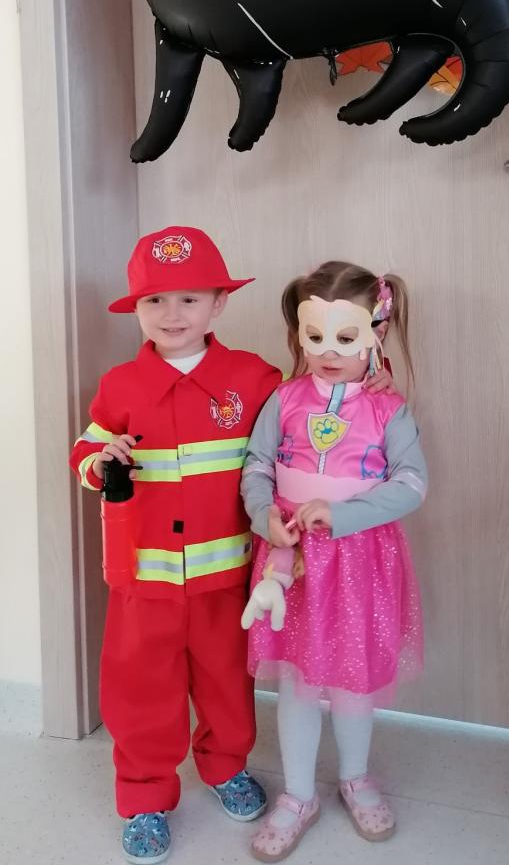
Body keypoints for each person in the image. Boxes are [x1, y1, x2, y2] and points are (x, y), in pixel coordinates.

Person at [70, 230, 397, 864]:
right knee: (140, 690)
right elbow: (84, 449)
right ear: (136, 309)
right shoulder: (119, 385)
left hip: (228, 577)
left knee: (226, 683)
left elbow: (305, 419)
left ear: (219, 303)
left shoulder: (256, 379)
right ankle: (144, 796)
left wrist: (367, 392)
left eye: (189, 299)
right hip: (143, 578)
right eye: (155, 301)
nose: (172, 315)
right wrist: (97, 460)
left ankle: (225, 767)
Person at [241, 261, 427, 861]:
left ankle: (355, 777)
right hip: (292, 561)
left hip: (358, 564)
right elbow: (258, 466)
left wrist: (343, 515)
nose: (326, 351)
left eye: (345, 337)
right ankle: (298, 794)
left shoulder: (388, 409)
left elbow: (412, 484)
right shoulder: (284, 399)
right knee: (298, 682)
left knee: (352, 681)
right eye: (314, 335)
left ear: (375, 331)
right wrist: (263, 514)